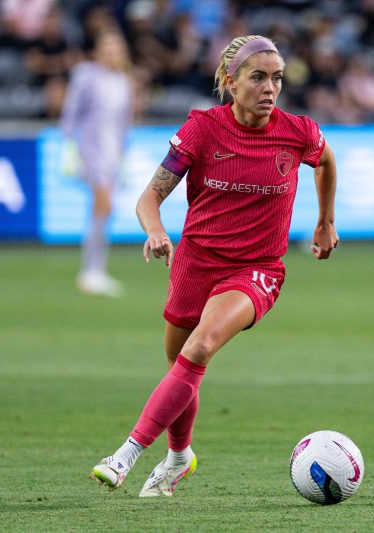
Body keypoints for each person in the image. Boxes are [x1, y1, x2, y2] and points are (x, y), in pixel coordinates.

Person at [89, 34, 338, 497]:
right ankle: (179, 456)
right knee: (179, 364)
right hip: (195, 262)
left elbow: (324, 159)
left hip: (256, 270)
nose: (270, 88)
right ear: (230, 80)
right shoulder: (203, 129)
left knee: (200, 347)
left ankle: (125, 454)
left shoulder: (298, 131)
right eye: (258, 77)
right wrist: (155, 231)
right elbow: (149, 197)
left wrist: (325, 221)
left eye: (277, 78)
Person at [61, 28, 135, 297]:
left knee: (103, 210)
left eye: (117, 48)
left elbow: (124, 122)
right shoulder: (86, 75)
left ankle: (95, 270)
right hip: (90, 150)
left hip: (112, 153)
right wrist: (70, 147)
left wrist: (123, 156)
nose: (113, 53)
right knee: (104, 205)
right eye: (108, 48)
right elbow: (72, 112)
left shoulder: (124, 81)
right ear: (99, 51)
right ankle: (92, 271)